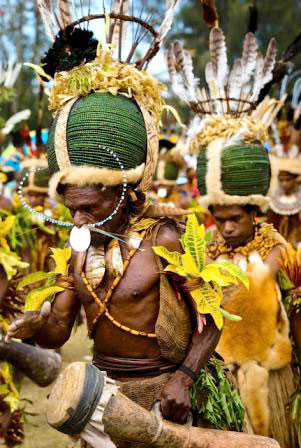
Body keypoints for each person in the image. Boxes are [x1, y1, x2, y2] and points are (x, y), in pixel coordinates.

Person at [6, 4, 222, 447]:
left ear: (123, 192)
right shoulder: (79, 249)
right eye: (72, 210)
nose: (79, 221)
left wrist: (184, 377)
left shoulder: (167, 238)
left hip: (166, 397)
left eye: (89, 207)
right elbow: (57, 335)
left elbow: (213, 315)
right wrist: (29, 326)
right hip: (101, 401)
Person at [168, 23, 299, 446]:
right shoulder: (204, 251)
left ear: (253, 210)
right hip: (220, 378)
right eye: (219, 218)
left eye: (234, 219)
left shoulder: (280, 251)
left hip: (270, 377)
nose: (225, 227)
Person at [268, 124, 301, 247]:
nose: (284, 184)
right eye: (281, 180)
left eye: (288, 180)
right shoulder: (273, 200)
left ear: (296, 179)